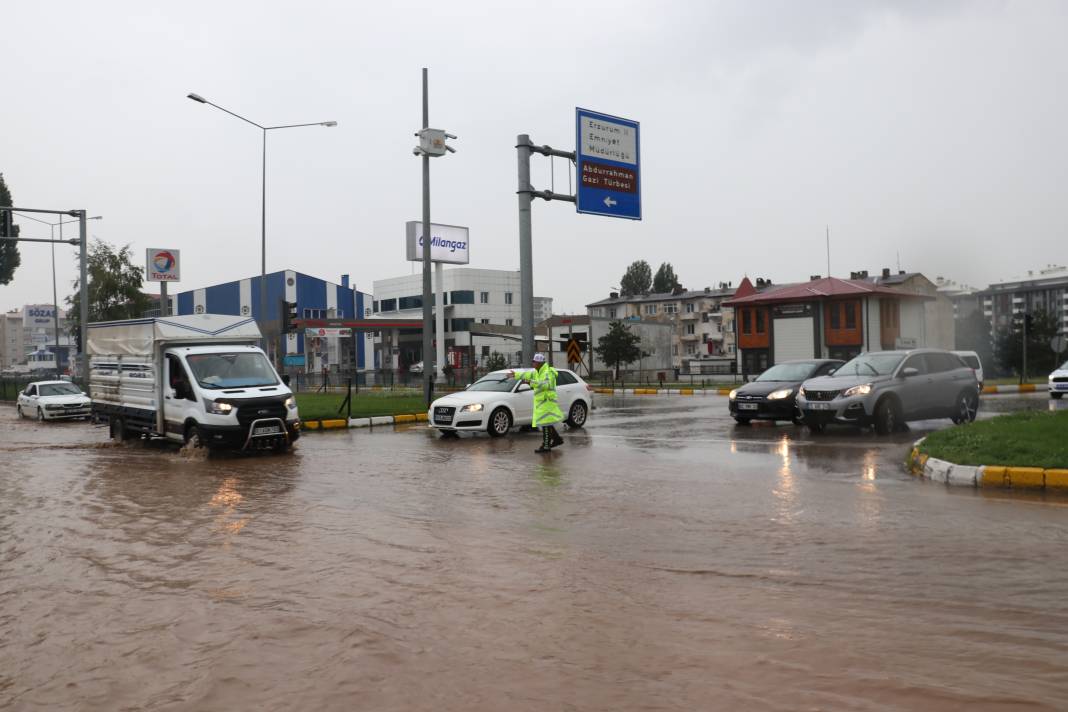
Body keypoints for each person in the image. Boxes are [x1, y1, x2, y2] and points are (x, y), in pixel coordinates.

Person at [509, 353, 565, 453]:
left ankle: (546, 446)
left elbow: (545, 385)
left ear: (540, 363)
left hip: (547, 402)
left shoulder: (547, 372)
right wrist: (515, 375)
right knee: (547, 423)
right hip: (542, 402)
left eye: (534, 362)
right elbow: (526, 374)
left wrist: (531, 382)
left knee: (545, 424)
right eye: (533, 361)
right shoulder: (537, 371)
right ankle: (557, 439)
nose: (533, 363)